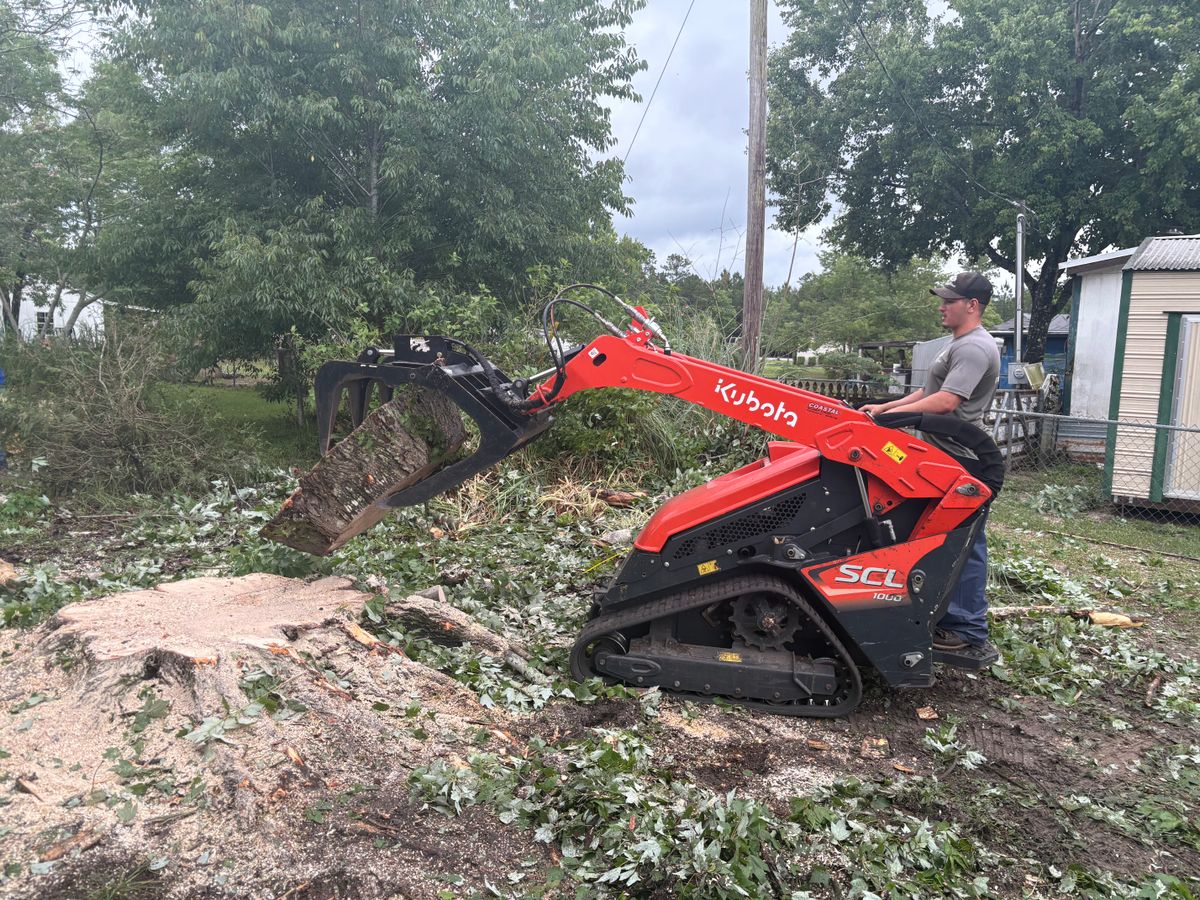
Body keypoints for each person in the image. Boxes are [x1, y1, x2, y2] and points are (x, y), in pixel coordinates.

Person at [861, 271, 1000, 659]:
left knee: (964, 542)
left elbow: (946, 402)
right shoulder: (956, 344)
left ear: (972, 306)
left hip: (960, 458)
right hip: (939, 453)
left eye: (949, 301)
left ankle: (968, 629)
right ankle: (935, 610)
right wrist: (886, 408)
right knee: (935, 535)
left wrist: (899, 420)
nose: (942, 305)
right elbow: (929, 392)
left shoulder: (974, 348)